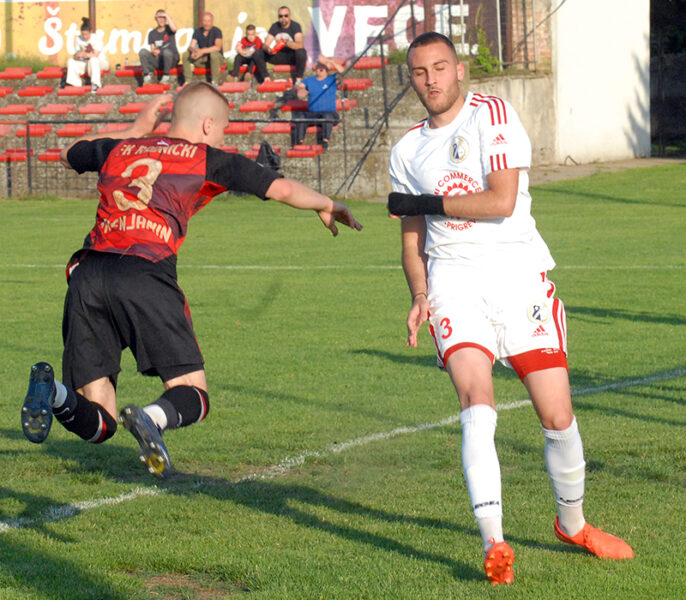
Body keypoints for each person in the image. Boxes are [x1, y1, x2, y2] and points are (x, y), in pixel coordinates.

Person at [387, 32, 633, 586]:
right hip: (453, 283)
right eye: (420, 71)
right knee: (477, 401)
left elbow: (500, 201)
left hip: (518, 277)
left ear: (459, 70)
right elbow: (411, 240)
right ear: (412, 78)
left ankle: (572, 523)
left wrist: (425, 201)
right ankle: (495, 544)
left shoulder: (491, 113)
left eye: (440, 68)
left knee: (557, 416)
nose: (431, 80)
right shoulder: (405, 150)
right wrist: (421, 295)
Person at [20, 83, 362, 479]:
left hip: (87, 273)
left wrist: (135, 129)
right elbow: (281, 188)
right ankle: (151, 418)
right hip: (144, 269)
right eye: (223, 129)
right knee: (193, 395)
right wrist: (329, 204)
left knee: (100, 421)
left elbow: (65, 153)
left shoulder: (119, 149)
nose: (222, 137)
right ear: (208, 124)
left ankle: (54, 392)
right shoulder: (206, 157)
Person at [293, 56, 344, 150]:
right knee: (300, 116)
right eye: (319, 67)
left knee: (327, 116)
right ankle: (299, 142)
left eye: (323, 67)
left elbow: (342, 72)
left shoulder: (331, 79)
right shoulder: (309, 80)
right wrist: (297, 87)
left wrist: (330, 61)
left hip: (329, 113)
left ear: (327, 69)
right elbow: (298, 86)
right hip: (314, 114)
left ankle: (325, 141)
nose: (321, 69)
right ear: (315, 68)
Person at [251, 6, 307, 84]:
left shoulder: (295, 26)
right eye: (280, 16)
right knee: (258, 53)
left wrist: (285, 43)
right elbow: (265, 45)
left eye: (286, 16)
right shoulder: (275, 26)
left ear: (290, 16)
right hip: (278, 55)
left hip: (291, 56)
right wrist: (268, 49)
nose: (283, 18)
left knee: (301, 52)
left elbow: (300, 45)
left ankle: (298, 79)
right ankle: (266, 78)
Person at [65, 17, 109, 92]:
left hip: (99, 63)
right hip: (86, 64)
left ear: (90, 32)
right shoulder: (78, 39)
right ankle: (75, 83)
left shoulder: (96, 38)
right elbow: (76, 54)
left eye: (86, 34)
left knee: (93, 60)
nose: (85, 36)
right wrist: (77, 56)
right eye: (83, 34)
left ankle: (96, 84)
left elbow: (95, 54)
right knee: (70, 61)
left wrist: (84, 54)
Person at [139, 9, 179, 85]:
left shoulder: (169, 29)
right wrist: (154, 51)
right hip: (159, 61)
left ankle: (166, 77)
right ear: (156, 19)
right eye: (159, 17)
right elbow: (152, 48)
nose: (161, 20)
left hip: (171, 60)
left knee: (167, 52)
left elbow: (174, 29)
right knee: (142, 52)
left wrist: (166, 15)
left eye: (163, 17)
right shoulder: (152, 33)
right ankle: (146, 77)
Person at [182, 12, 223, 86]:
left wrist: (202, 51)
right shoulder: (197, 31)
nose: (206, 23)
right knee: (186, 55)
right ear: (202, 21)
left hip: (215, 60)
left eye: (208, 21)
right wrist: (193, 51)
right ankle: (188, 81)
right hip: (202, 60)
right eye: (204, 21)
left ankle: (215, 81)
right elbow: (191, 46)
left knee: (214, 54)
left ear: (212, 21)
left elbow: (218, 47)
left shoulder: (217, 31)